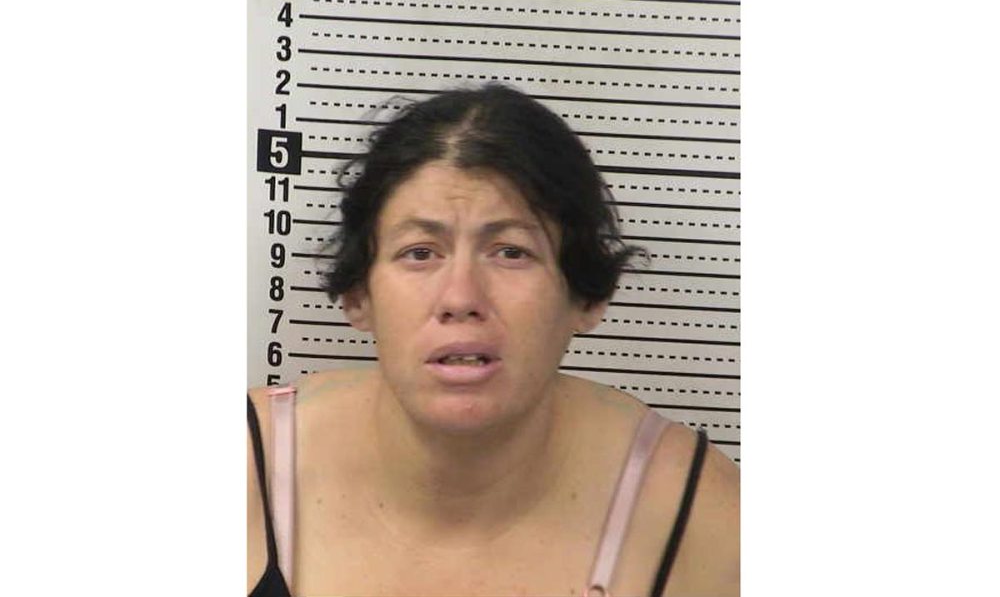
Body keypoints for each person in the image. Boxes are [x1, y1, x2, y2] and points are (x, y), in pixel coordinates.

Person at [247, 84, 739, 597]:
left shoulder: (703, 518)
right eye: (420, 252)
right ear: (357, 296)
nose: (461, 297)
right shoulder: (241, 469)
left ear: (586, 297)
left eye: (511, 252)